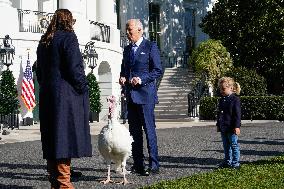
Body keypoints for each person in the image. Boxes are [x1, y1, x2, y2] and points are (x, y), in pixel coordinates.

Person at [36, 9, 92, 188]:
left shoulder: (44, 40)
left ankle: (55, 183)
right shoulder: (68, 37)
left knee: (53, 141)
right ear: (69, 21)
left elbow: (39, 72)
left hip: (48, 96)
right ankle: (64, 185)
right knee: (62, 140)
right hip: (65, 98)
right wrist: (83, 89)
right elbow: (75, 69)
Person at [119, 19, 163, 176]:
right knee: (134, 133)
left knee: (149, 131)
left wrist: (141, 79)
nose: (128, 33)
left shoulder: (150, 46)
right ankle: (138, 164)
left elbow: (158, 70)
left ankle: (154, 164)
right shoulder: (126, 50)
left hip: (145, 96)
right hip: (131, 96)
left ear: (140, 30)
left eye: (130, 30)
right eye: (127, 31)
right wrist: (123, 77)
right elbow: (124, 70)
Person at [216, 77, 241, 169]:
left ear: (230, 88)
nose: (221, 91)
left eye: (223, 89)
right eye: (220, 89)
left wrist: (237, 126)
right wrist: (218, 125)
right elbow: (219, 114)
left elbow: (237, 115)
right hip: (224, 127)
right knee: (226, 146)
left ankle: (235, 163)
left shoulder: (235, 99)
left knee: (234, 145)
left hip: (232, 127)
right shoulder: (222, 99)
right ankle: (227, 161)